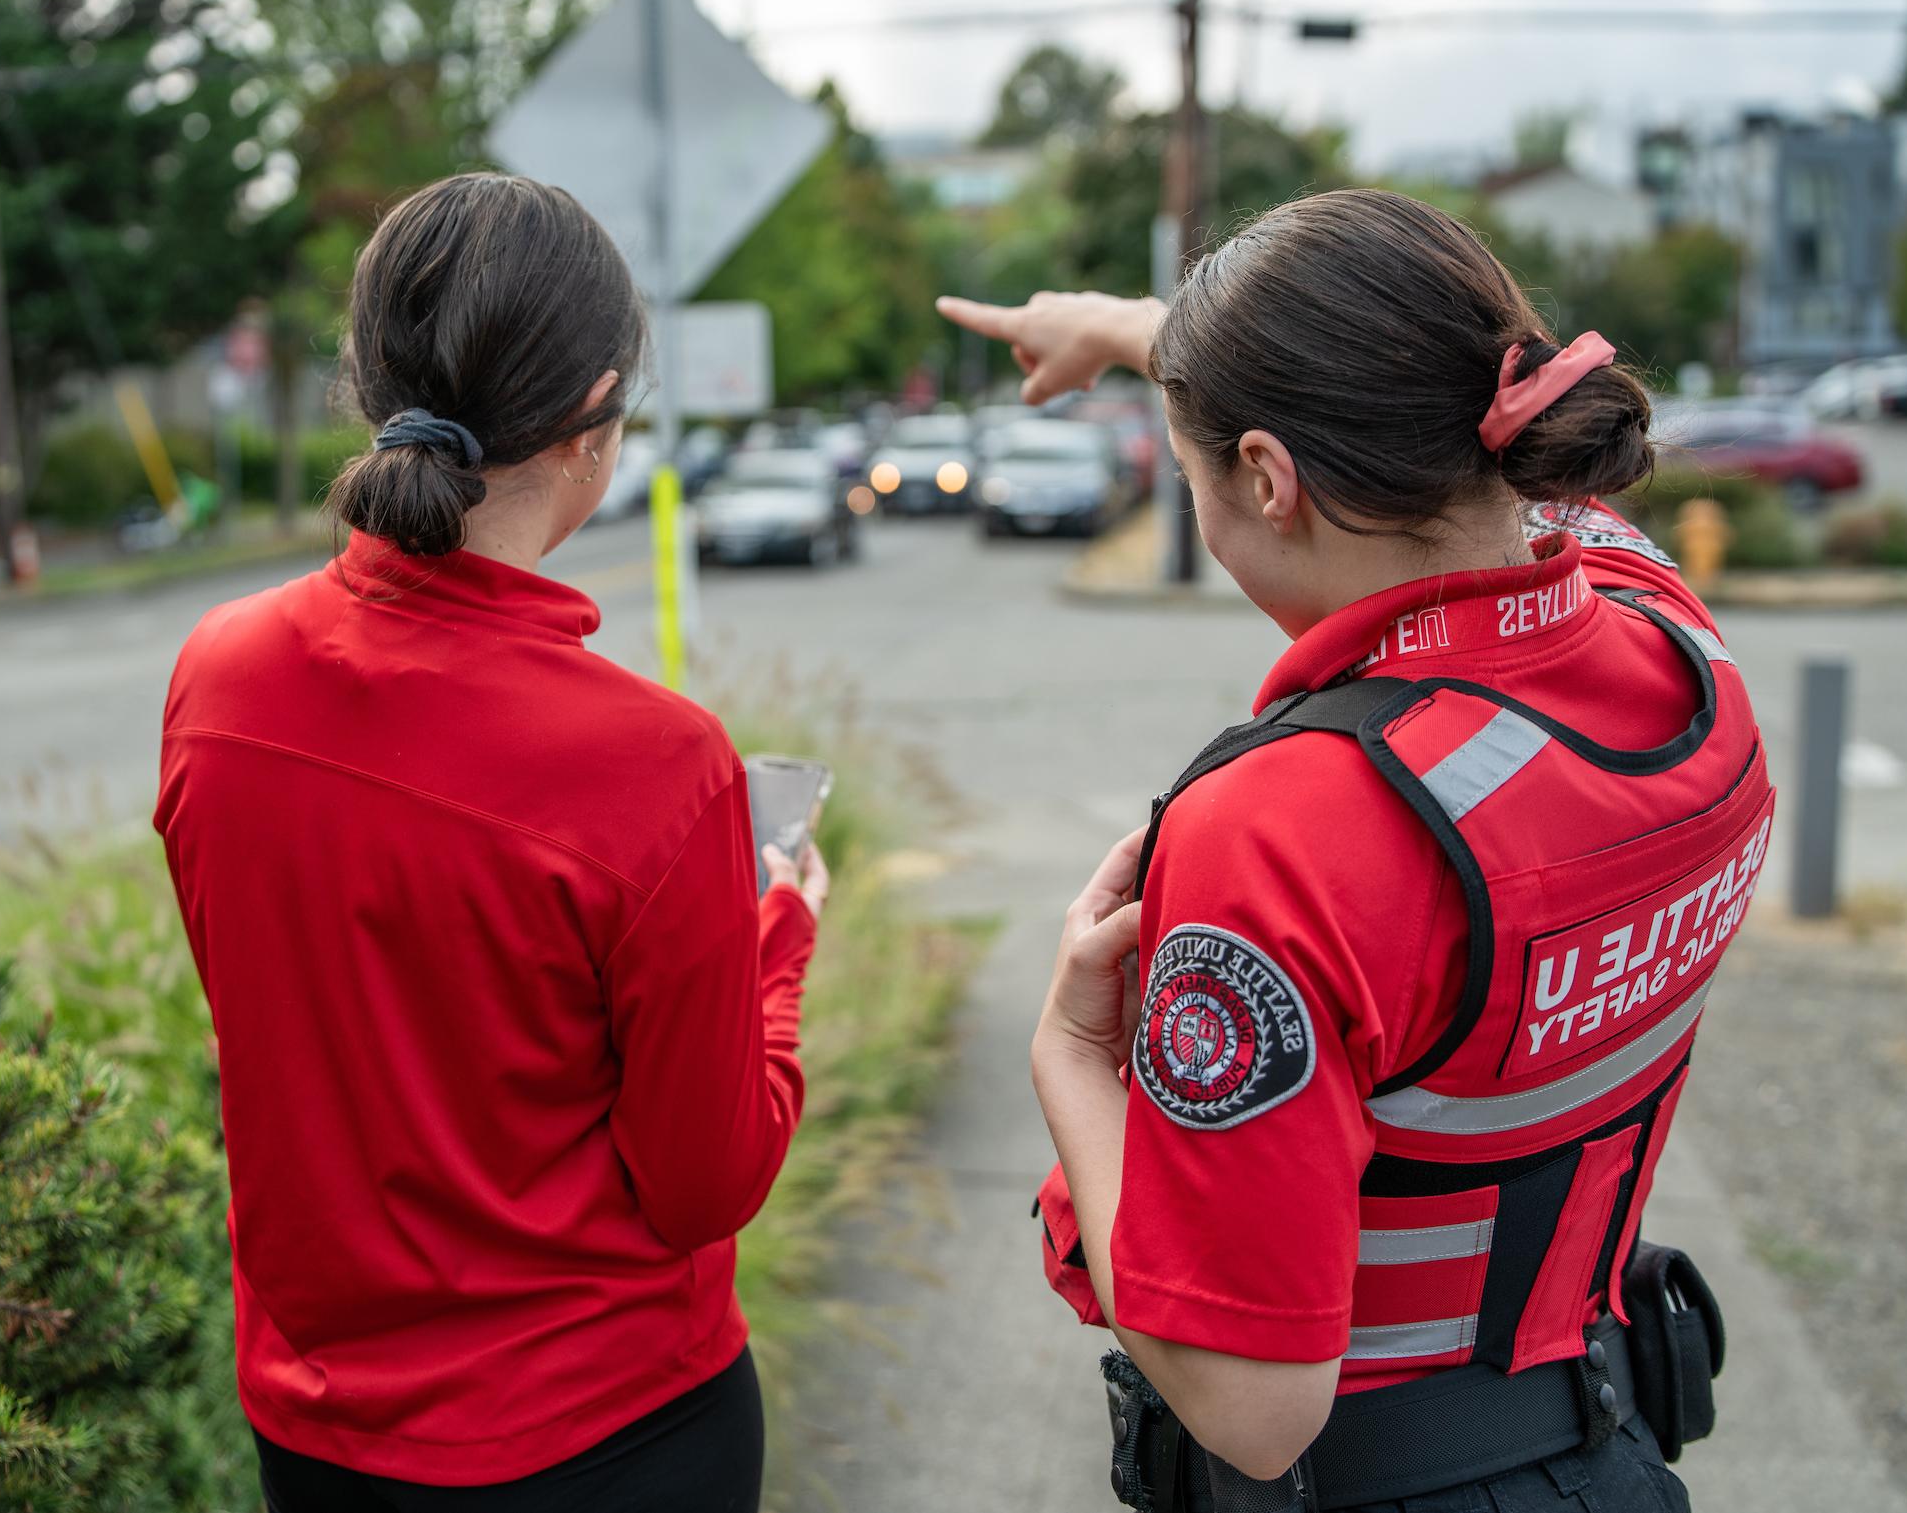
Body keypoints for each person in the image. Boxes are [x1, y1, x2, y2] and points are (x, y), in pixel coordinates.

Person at [943, 189, 1761, 1512]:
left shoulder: (1290, 832)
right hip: (1607, 1448)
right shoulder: (1678, 643)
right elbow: (1547, 507)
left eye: (1191, 460)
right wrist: (1137, 332)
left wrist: (1072, 1057)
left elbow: (1253, 1407)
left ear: (1266, 477)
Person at [156, 173, 827, 1513]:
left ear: (366, 381)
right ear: (597, 421)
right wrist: (778, 936)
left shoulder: (217, 679)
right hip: (614, 1432)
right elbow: (706, 1182)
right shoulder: (657, 767)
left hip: (322, 1439)